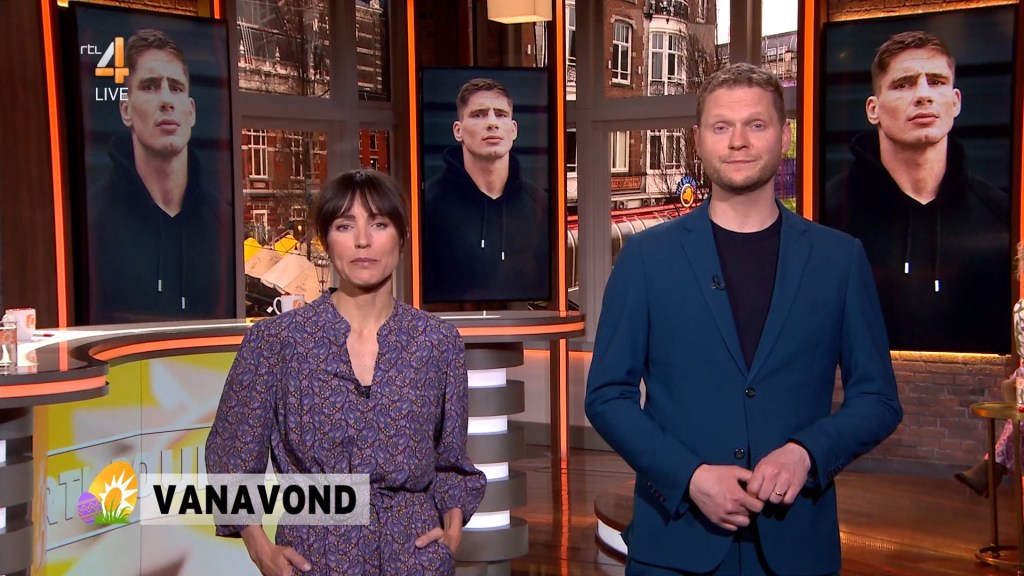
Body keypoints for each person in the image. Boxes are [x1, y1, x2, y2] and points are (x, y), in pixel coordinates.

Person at [584, 63, 903, 575]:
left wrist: (806, 453)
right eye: (721, 126)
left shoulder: (839, 259)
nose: (738, 141)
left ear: (784, 136)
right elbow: (607, 396)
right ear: (698, 140)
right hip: (675, 544)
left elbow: (878, 400)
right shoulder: (645, 258)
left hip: (797, 546)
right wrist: (690, 476)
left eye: (756, 124)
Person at [205, 170, 486, 575]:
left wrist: (452, 527)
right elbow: (231, 456)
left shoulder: (436, 342)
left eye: (379, 224)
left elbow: (451, 461)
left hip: (415, 557)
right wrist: (260, 547)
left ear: (402, 237)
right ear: (325, 239)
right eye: (344, 225)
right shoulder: (276, 342)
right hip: (315, 558)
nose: (362, 241)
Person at [823, 30, 1009, 353]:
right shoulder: (827, 212)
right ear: (873, 109)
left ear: (956, 102)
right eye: (903, 84)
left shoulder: (1001, 215)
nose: (923, 95)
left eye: (936, 82)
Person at [87, 29, 233, 324]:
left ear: (191, 112)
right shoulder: (91, 218)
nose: (166, 100)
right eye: (151, 86)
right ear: (126, 110)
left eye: (176, 88)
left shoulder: (223, 223)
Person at [422, 77, 549, 303]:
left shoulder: (541, 206)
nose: (492, 123)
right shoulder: (427, 204)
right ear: (458, 130)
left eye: (500, 114)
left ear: (514, 129)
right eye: (479, 114)